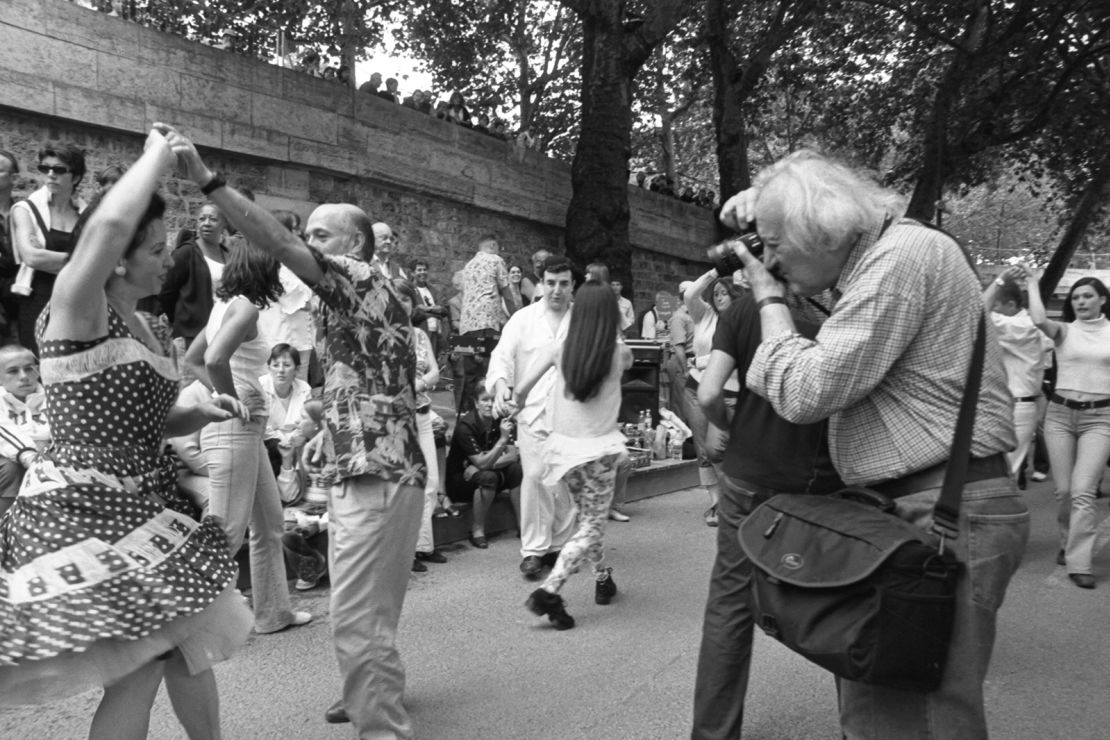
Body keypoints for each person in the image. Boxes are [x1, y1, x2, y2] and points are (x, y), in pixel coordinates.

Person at [720, 149, 1028, 738]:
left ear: (823, 230)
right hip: (927, 506)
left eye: (776, 244)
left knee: (920, 720)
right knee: (885, 712)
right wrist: (766, 207)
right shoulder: (888, 258)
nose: (771, 260)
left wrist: (768, 301)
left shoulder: (903, 259)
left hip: (940, 510)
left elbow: (806, 390)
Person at [163, 123, 426, 737]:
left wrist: (207, 179)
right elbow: (354, 387)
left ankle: (380, 723)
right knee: (368, 605)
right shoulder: (366, 298)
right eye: (308, 233)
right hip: (378, 467)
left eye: (321, 235)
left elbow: (273, 241)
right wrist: (313, 438)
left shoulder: (356, 280)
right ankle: (367, 688)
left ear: (355, 245)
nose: (307, 244)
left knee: (358, 614)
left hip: (375, 474)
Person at [0, 128, 253, 739]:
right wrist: (155, 160)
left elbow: (146, 422)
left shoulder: (139, 322)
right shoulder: (78, 309)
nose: (169, 257)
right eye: (159, 247)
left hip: (140, 502)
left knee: (186, 648)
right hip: (86, 510)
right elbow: (108, 227)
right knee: (140, 671)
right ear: (116, 259)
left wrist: (198, 413)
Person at [691, 289, 843, 739]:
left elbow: (709, 392)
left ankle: (713, 734)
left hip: (747, 474)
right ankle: (862, 724)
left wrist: (729, 425)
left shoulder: (742, 309)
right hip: (821, 481)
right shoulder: (843, 314)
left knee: (729, 604)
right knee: (842, 601)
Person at [184, 243, 312, 634]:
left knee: (270, 525)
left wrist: (230, 398)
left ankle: (273, 614)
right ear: (262, 270)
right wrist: (233, 401)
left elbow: (193, 359)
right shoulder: (245, 308)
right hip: (234, 432)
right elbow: (212, 360)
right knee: (226, 530)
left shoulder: (224, 306)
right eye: (273, 268)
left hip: (246, 432)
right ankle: (194, 625)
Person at [516, 280, 632, 629]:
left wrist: (513, 407)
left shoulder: (557, 349)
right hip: (598, 452)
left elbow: (521, 391)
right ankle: (549, 592)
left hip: (564, 451)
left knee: (587, 522)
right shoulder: (620, 352)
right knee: (591, 526)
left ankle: (603, 577)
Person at [487, 256, 577, 580]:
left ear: (572, 286)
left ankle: (561, 543)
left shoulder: (583, 320)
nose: (556, 290)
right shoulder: (523, 319)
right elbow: (501, 357)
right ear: (541, 284)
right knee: (536, 475)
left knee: (562, 479)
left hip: (571, 413)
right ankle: (534, 550)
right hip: (532, 411)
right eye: (551, 283)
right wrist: (500, 387)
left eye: (563, 283)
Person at [1027, 273, 1110, 589]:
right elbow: (1037, 318)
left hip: (1100, 419)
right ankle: (1068, 542)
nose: (1081, 302)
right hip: (1060, 416)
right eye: (1076, 298)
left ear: (1102, 299)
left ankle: (1080, 562)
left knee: (1084, 490)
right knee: (1065, 492)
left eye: (1087, 296)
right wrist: (1033, 284)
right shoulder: (1064, 331)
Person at [9, 142, 87, 355]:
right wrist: (83, 261)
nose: (51, 175)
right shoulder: (26, 210)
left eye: (59, 170)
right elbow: (32, 257)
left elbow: (102, 260)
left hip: (76, 301)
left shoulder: (87, 216)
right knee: (41, 367)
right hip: (38, 299)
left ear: (76, 177)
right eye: (45, 168)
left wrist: (50, 259)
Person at [393, 278, 447, 571]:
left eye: (406, 298)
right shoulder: (385, 336)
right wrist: (414, 385)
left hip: (424, 413)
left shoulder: (421, 335)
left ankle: (424, 544)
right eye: (396, 298)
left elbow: (436, 374)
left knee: (431, 482)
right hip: (400, 419)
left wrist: (420, 382)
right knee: (407, 484)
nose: (402, 303)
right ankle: (407, 550)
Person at [982, 265, 1053, 480]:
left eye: (997, 306)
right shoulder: (1035, 328)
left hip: (1010, 404)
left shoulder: (1017, 327)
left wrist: (1001, 279)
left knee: (999, 474)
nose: (993, 311)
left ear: (1011, 304)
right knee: (1005, 473)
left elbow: (978, 309)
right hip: (1021, 404)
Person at [682, 269, 741, 527]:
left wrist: (703, 360)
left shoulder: (743, 318)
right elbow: (691, 293)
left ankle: (734, 498)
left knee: (722, 448)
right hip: (696, 387)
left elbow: (737, 355)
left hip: (729, 391)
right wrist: (716, 271)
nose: (718, 297)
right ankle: (716, 502)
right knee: (704, 450)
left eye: (724, 292)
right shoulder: (704, 315)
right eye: (715, 293)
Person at [446, 384, 523, 548]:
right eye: (484, 400)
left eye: (493, 400)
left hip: (481, 472)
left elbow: (512, 455)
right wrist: (501, 441)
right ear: (476, 403)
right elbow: (482, 461)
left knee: (516, 470)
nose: (489, 404)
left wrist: (483, 465)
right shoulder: (465, 427)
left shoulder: (500, 419)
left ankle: (522, 525)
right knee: (489, 477)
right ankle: (477, 530)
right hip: (460, 482)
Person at [158, 202, 229, 359]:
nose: (206, 223)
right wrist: (181, 318)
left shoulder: (229, 256)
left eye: (213, 219)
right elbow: (165, 291)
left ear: (224, 224)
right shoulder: (186, 253)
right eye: (202, 219)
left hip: (221, 336)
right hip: (191, 336)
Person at [458, 235, 516, 414]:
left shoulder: (467, 266)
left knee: (468, 375)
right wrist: (516, 315)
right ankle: (490, 415)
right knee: (489, 369)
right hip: (487, 324)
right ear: (493, 245)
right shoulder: (496, 260)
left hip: (465, 326)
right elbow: (507, 293)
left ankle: (467, 414)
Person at [0, 344, 48, 514]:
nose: (24, 377)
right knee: (10, 469)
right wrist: (29, 455)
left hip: (45, 456)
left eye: (29, 369)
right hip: (10, 459)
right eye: (13, 371)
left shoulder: (54, 397)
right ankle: (4, 522)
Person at [261, 343, 314, 475]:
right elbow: (262, 427)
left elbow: (306, 422)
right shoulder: (260, 386)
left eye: (287, 365)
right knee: (274, 449)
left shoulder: (304, 388)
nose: (281, 370)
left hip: (297, 439)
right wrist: (284, 440)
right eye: (275, 365)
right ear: (268, 368)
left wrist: (294, 438)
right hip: (268, 440)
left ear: (296, 369)